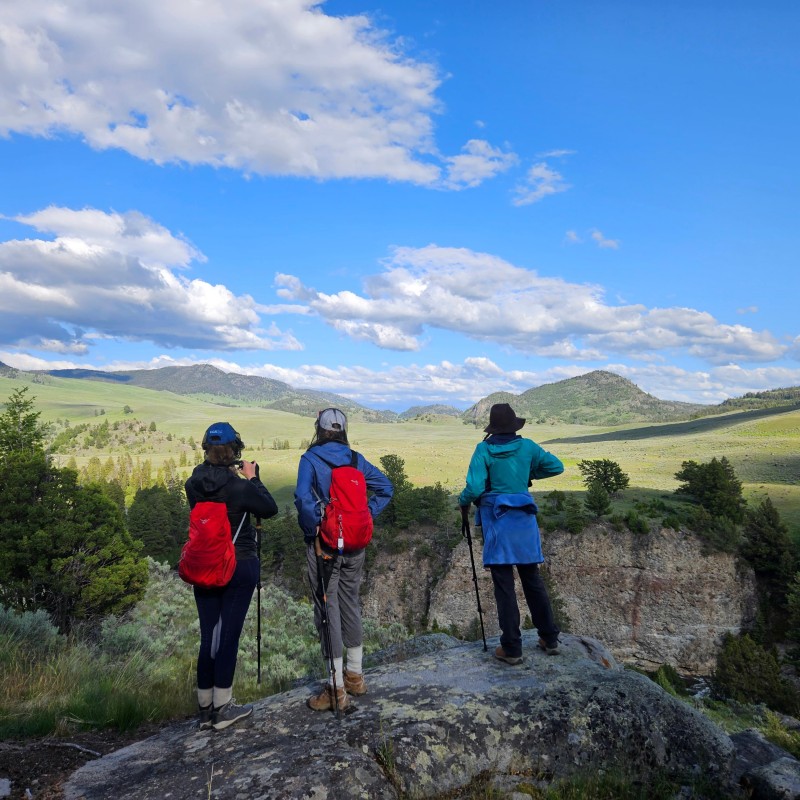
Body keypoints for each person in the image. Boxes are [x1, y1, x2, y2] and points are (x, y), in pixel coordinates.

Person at [294, 408, 393, 712]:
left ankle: (336, 689)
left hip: (325, 546)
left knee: (328, 607)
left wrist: (318, 530)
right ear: (343, 431)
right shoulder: (355, 459)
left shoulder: (310, 459)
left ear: (320, 431)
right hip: (355, 545)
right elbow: (386, 488)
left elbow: (301, 498)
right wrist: (363, 517)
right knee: (350, 601)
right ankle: (355, 675)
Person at [185, 422, 278, 730]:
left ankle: (204, 708)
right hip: (238, 565)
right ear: (235, 452)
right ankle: (223, 708)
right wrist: (253, 478)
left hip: (204, 565)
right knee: (228, 635)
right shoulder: (241, 487)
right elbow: (269, 508)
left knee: (209, 635)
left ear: (206, 451)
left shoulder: (192, 484)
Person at [459, 403, 564, 665]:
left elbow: (473, 487)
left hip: (497, 523)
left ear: (492, 428)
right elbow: (556, 467)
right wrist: (528, 472)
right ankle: (549, 638)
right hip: (524, 522)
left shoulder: (484, 449)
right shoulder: (528, 447)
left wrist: (463, 501)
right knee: (532, 580)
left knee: (504, 587)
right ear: (514, 425)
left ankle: (512, 648)